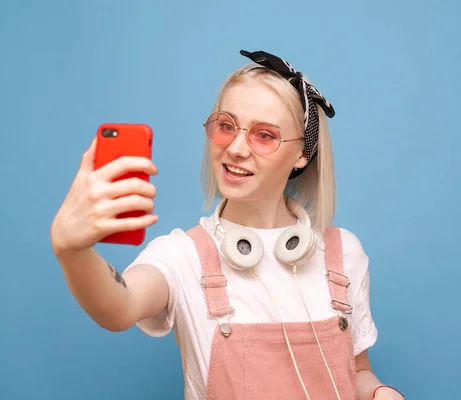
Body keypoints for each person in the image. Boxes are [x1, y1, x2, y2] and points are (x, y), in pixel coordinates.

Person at [50, 49, 404, 400]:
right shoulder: (182, 256)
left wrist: (380, 393)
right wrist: (72, 251)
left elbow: (356, 372)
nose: (235, 148)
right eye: (226, 126)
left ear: (302, 155)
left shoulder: (343, 254)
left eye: (264, 135)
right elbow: (118, 307)